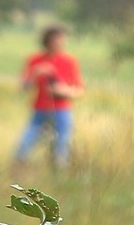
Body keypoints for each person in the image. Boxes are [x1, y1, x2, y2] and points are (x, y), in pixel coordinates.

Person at [14, 26, 84, 169]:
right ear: (48, 41)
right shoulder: (35, 60)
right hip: (40, 110)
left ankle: (59, 175)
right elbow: (24, 87)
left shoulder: (69, 61)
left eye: (62, 40)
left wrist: (63, 91)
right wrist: (35, 74)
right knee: (24, 146)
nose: (60, 43)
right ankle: (18, 171)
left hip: (62, 111)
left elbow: (79, 90)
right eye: (57, 40)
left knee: (61, 148)